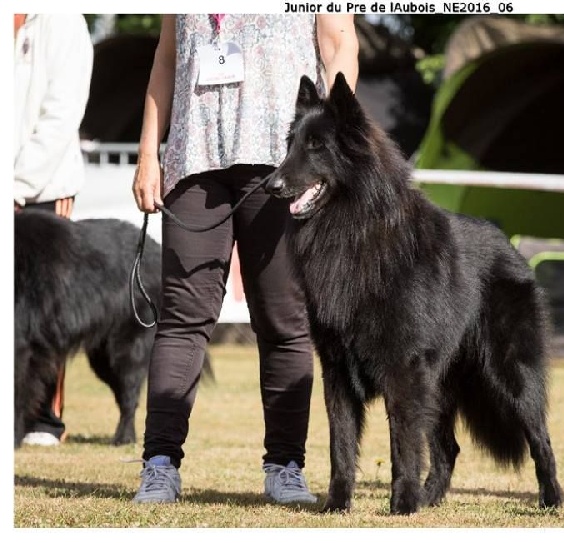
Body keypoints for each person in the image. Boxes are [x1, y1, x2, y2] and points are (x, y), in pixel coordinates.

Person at [130, 14, 359, 504]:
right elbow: (166, 60)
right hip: (194, 157)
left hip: (281, 161)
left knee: (284, 321)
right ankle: (159, 464)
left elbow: (341, 47)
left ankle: (285, 467)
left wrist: (326, 136)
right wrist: (148, 152)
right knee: (182, 317)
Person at [14, 13, 94, 446]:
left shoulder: (63, 20)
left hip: (42, 188)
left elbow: (62, 112)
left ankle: (43, 418)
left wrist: (17, 185)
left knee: (42, 312)